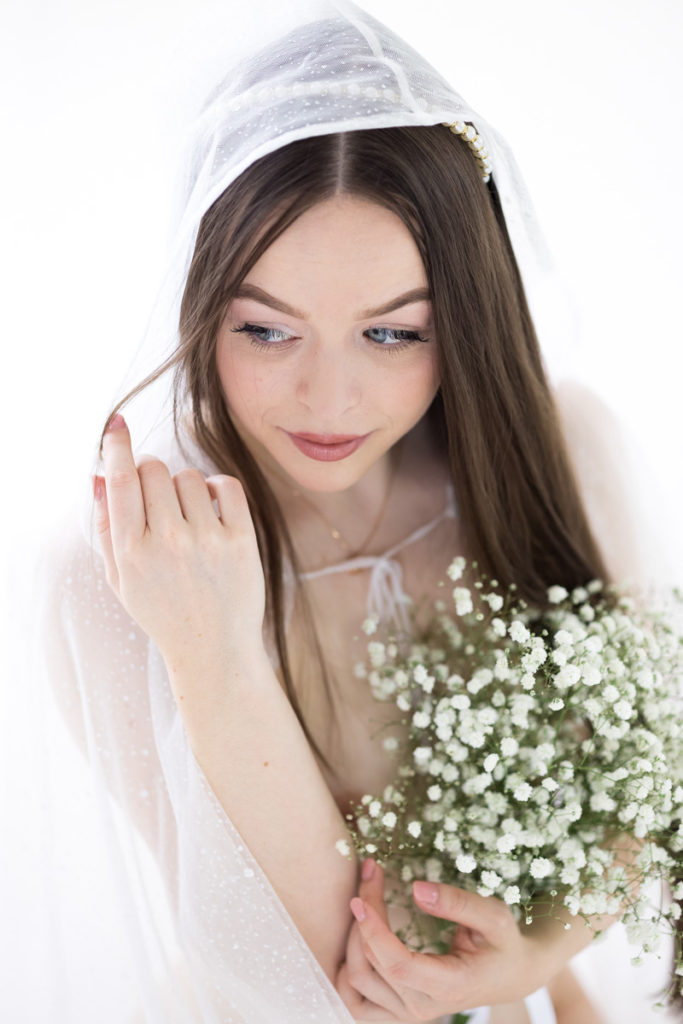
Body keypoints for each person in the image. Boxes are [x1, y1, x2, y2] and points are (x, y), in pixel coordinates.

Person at [21, 1, 677, 1022]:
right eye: (266, 331)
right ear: (201, 306)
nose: (329, 404)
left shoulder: (561, 453)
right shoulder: (125, 566)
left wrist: (530, 954)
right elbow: (306, 972)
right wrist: (215, 657)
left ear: (461, 319)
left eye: (390, 335)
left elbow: (640, 781)